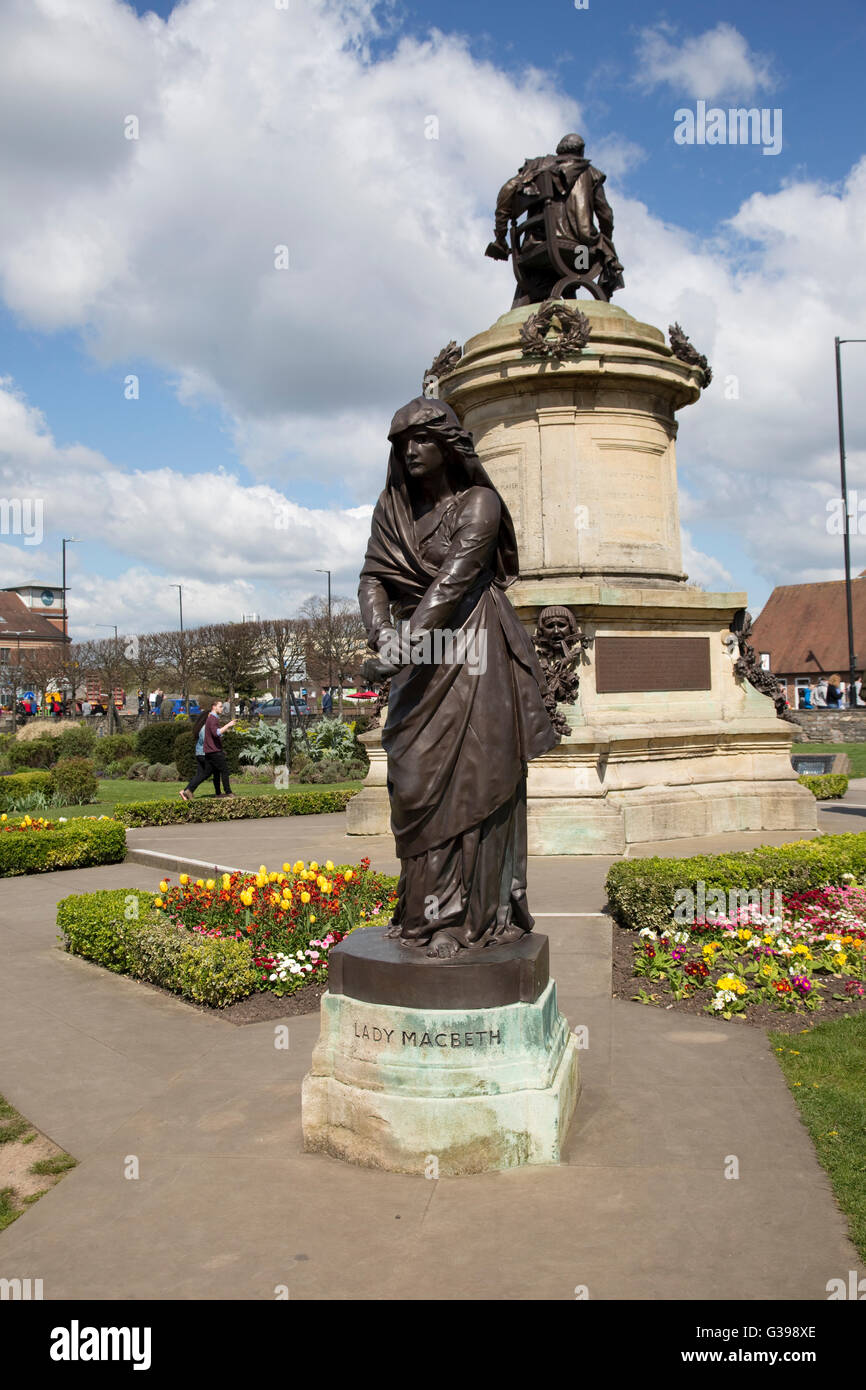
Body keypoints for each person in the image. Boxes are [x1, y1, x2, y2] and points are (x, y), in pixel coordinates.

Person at [358, 396, 558, 959]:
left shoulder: (481, 503)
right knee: (415, 780)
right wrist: (384, 635)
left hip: (475, 655)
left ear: (449, 446)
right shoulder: (392, 509)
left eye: (421, 439)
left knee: (474, 782)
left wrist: (407, 644)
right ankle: (420, 908)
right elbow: (372, 577)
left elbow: (453, 583)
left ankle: (463, 919)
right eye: (401, 443)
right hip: (420, 664)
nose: (410, 451)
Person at [486, 133, 624, 303]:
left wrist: (500, 236)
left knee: (542, 278)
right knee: (603, 253)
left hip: (536, 248)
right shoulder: (591, 173)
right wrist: (606, 240)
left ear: (559, 151)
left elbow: (507, 190)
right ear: (581, 152)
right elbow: (606, 215)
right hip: (581, 251)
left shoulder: (538, 166)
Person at [190, 698, 236, 798]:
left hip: (210, 751)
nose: (222, 708)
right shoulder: (212, 718)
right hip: (214, 751)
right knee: (224, 771)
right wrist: (228, 725)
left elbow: (214, 734)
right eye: (220, 706)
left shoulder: (211, 718)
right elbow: (216, 733)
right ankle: (228, 792)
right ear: (214, 707)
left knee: (208, 773)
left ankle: (190, 790)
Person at [179, 711, 220, 800]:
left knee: (202, 774)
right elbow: (208, 741)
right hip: (205, 753)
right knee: (206, 773)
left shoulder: (201, 727)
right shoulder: (206, 728)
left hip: (199, 753)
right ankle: (188, 790)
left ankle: (185, 791)